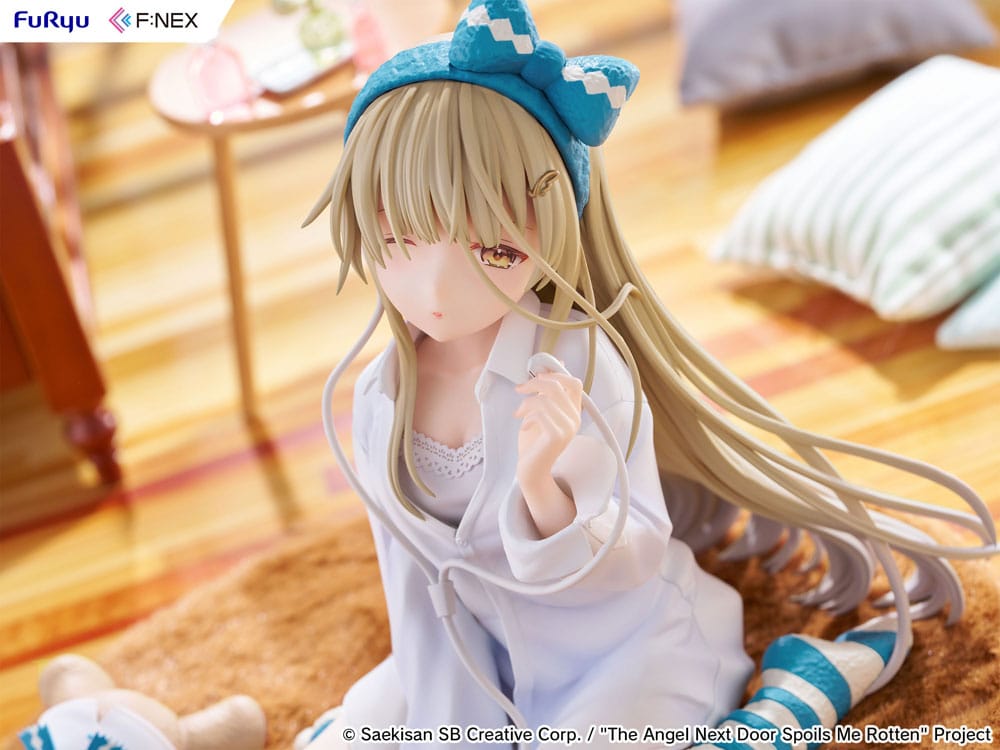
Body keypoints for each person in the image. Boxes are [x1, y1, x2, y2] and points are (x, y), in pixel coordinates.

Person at [300, 1, 998, 747]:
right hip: (474, 658)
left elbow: (628, 556)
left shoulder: (579, 366)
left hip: (616, 651)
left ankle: (803, 685)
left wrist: (543, 489)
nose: (435, 290)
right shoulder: (379, 397)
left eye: (493, 250)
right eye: (398, 239)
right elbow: (412, 588)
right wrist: (447, 723)